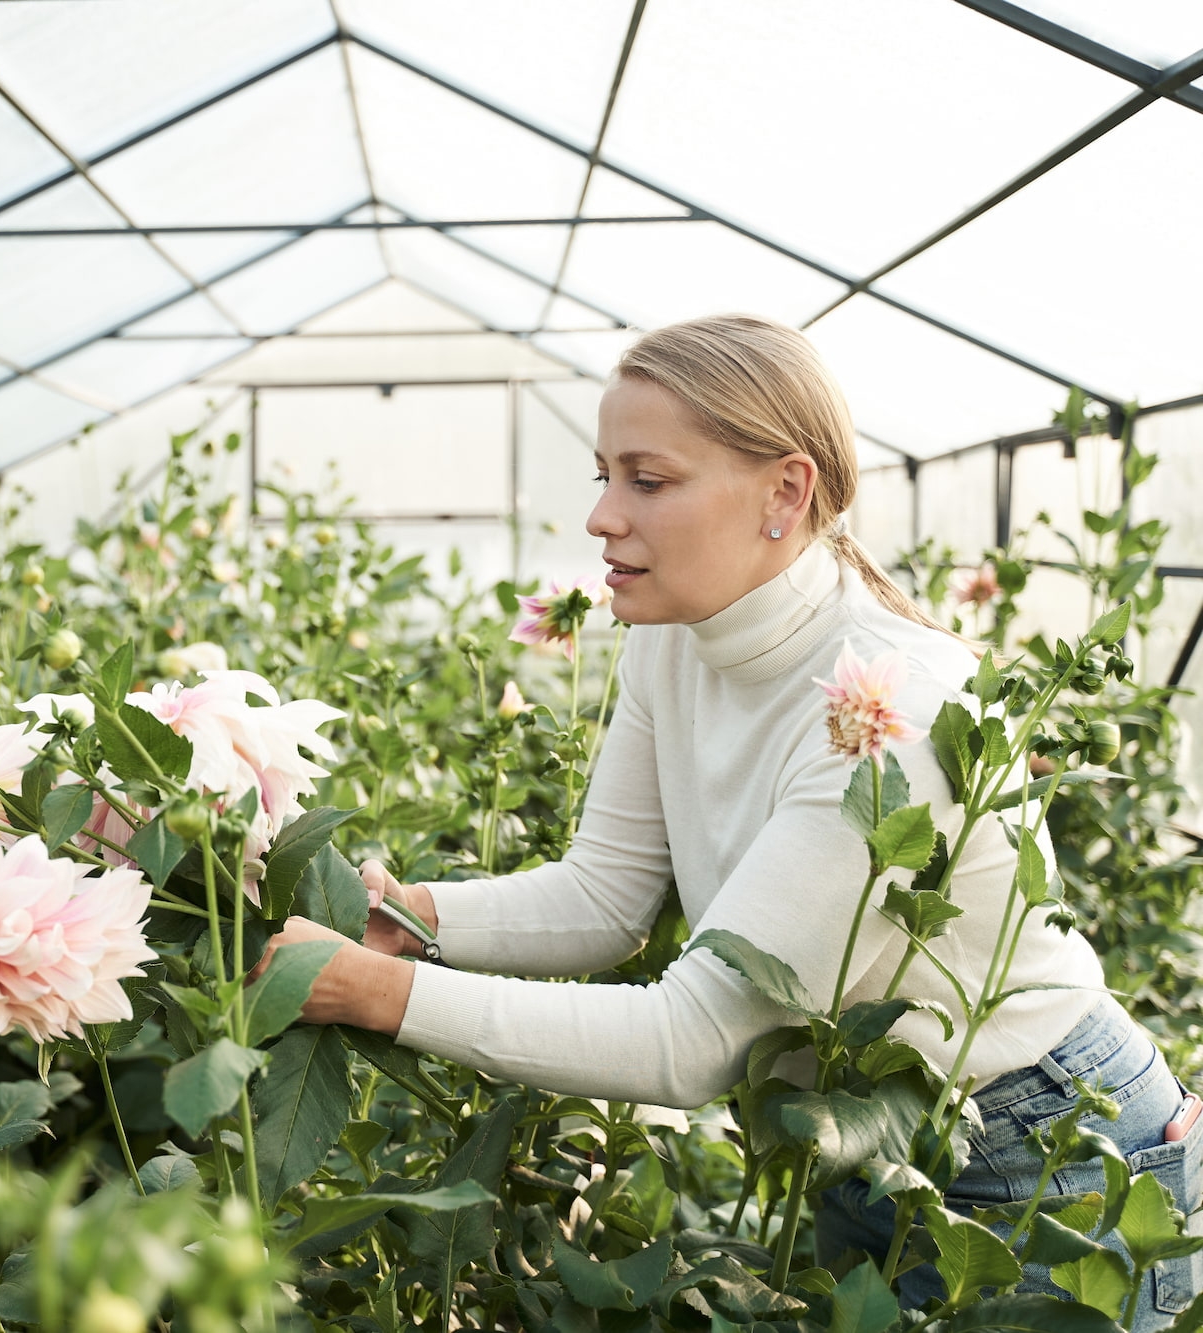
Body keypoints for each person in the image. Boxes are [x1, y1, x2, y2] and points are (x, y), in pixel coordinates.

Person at [261, 315, 1194, 1322]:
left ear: (784, 493)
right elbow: (605, 891)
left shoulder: (894, 707)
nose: (601, 517)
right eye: (601, 474)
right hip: (855, 1137)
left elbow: (690, 1036)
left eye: (646, 480)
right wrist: (410, 919)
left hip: (1040, 1148)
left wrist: (375, 990)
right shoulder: (672, 635)